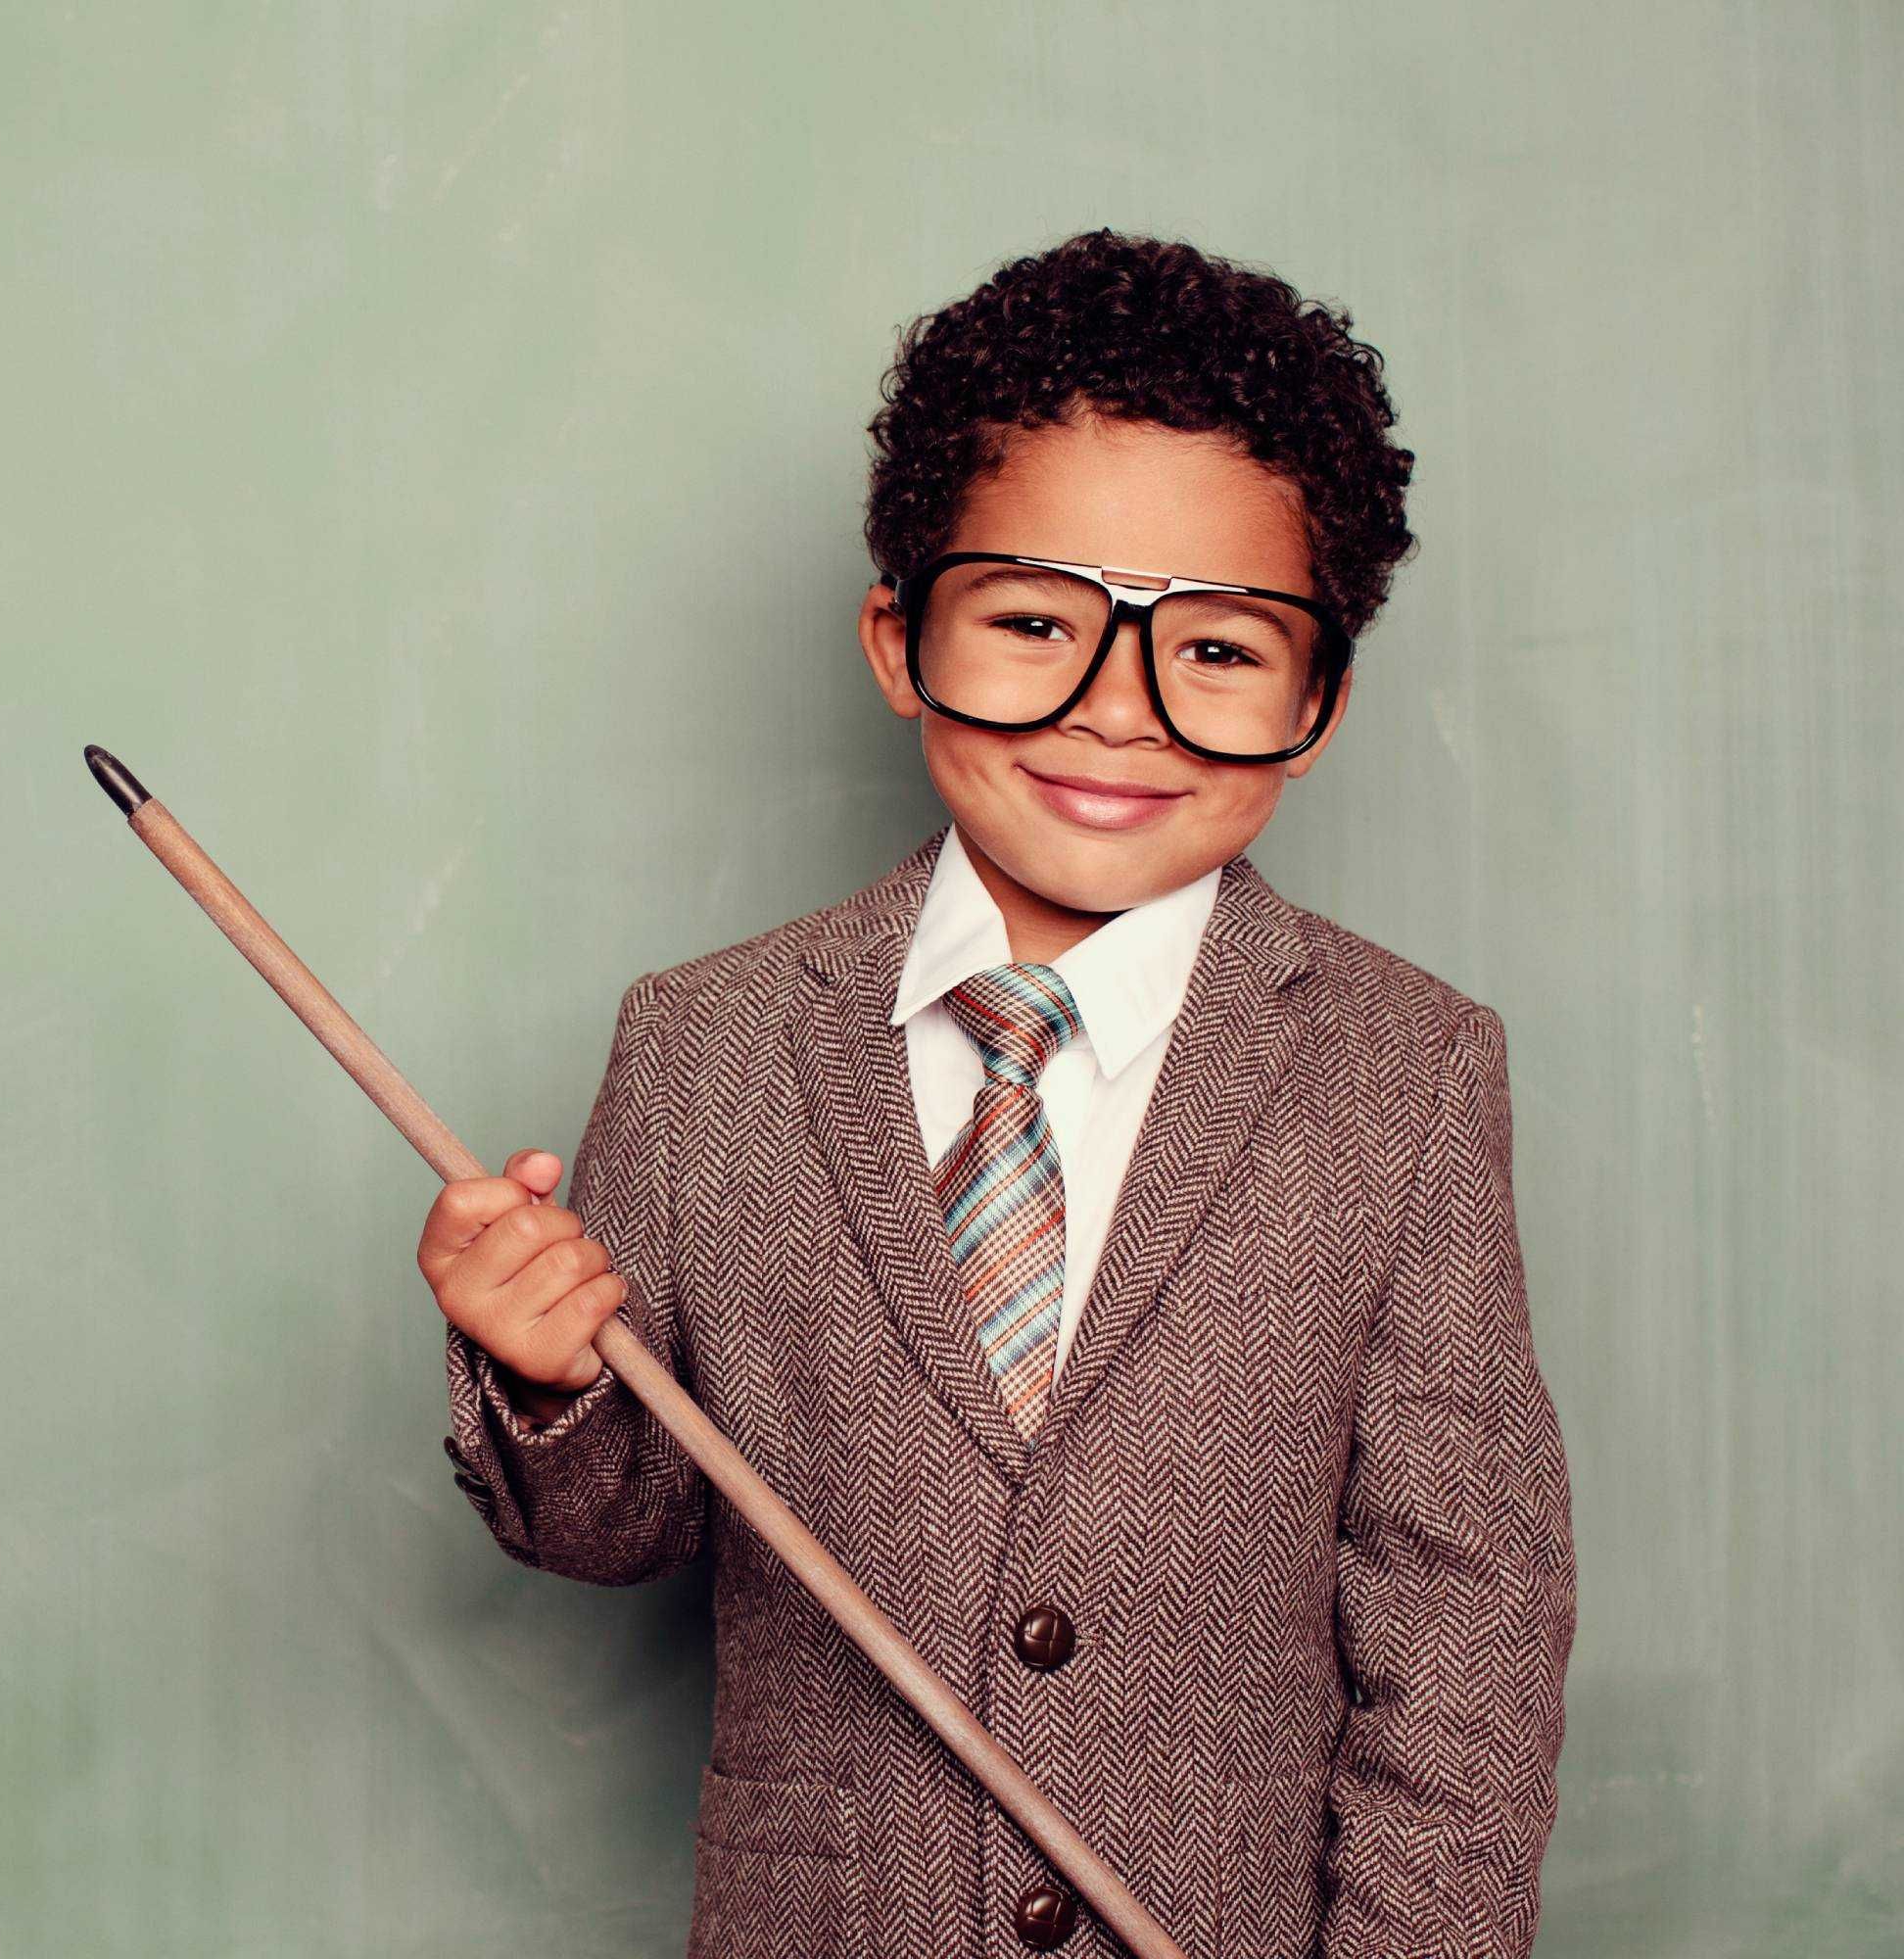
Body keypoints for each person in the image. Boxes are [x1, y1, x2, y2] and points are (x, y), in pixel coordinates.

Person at [417, 227, 1576, 1957]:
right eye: (1035, 621)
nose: (1119, 713)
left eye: (1220, 651)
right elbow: (623, 1525)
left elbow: (1465, 1621)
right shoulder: (705, 1042)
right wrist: (545, 1372)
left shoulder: (1404, 1071)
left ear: (1319, 700)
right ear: (902, 638)